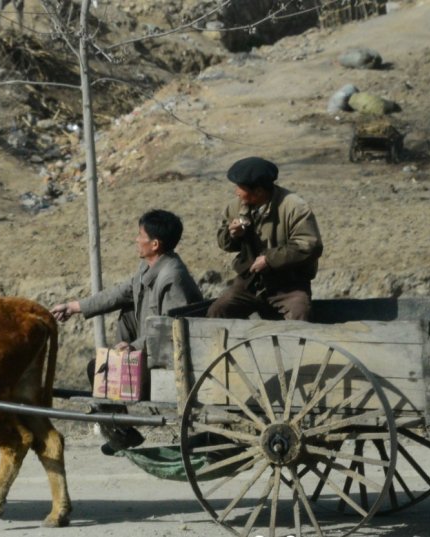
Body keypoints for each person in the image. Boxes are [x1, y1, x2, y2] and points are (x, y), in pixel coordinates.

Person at [50, 209, 202, 453]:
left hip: (168, 361)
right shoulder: (147, 269)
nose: (135, 240)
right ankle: (122, 430)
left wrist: (134, 347)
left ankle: (121, 433)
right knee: (125, 314)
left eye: (139, 235)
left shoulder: (172, 278)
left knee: (98, 369)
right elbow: (119, 293)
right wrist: (74, 307)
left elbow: (172, 331)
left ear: (154, 244)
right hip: (151, 350)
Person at [206, 157, 323, 321]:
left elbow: (310, 245)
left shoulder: (294, 207)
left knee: (300, 313)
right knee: (218, 311)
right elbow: (224, 243)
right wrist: (233, 234)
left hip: (289, 284)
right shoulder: (236, 206)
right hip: (250, 283)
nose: (236, 192)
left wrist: (269, 259)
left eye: (240, 187)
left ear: (259, 191)